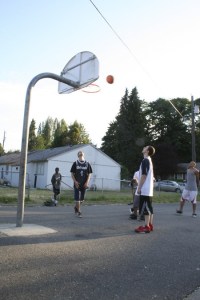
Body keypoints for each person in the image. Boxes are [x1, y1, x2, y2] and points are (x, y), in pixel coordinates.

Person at [135, 145, 155, 233]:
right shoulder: (149, 160)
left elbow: (144, 175)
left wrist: (139, 188)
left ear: (147, 151)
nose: (143, 147)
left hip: (145, 189)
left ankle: (146, 227)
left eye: (145, 147)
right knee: (149, 207)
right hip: (149, 189)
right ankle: (150, 224)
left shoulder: (145, 160)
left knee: (146, 208)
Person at [70, 151, 92, 218]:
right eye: (79, 153)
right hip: (77, 183)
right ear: (78, 155)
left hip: (84, 184)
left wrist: (87, 182)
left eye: (82, 153)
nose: (81, 153)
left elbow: (90, 174)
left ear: (84, 155)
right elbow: (72, 174)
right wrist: (75, 181)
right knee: (77, 199)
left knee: (82, 199)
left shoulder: (87, 163)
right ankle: (79, 212)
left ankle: (76, 207)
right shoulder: (75, 163)